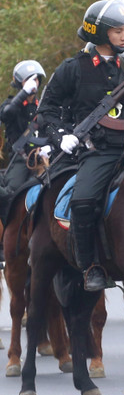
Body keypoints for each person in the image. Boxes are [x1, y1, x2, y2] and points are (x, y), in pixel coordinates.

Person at [38, 0, 124, 291]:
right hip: (99, 151)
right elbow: (46, 110)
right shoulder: (73, 68)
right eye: (118, 31)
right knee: (82, 201)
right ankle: (91, 267)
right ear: (101, 33)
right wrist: (61, 136)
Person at [0, 60, 47, 264]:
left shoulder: (44, 105)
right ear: (20, 83)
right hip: (21, 159)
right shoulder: (11, 104)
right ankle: (7, 241)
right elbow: (7, 114)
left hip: (44, 156)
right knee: (11, 194)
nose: (33, 83)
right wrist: (23, 94)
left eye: (36, 79)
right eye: (29, 79)